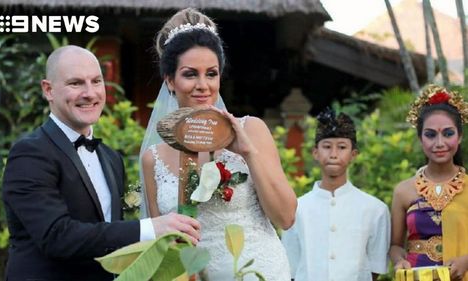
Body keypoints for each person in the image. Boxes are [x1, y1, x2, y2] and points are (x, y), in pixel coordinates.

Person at [1, 45, 201, 281]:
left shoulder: (111, 158)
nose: (90, 93)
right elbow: (57, 237)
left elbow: (109, 238)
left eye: (96, 81)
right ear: (48, 90)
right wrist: (150, 228)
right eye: (76, 83)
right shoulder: (29, 154)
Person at [139, 8, 297, 280]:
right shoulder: (152, 158)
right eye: (190, 74)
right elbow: (162, 245)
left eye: (211, 74)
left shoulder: (251, 130)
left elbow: (285, 217)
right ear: (170, 81)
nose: (203, 85)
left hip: (259, 272)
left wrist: (248, 153)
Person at [281, 108, 390, 281]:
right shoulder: (297, 209)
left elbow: (375, 269)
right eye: (326, 146)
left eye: (341, 147)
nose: (333, 154)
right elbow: (290, 268)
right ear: (315, 153)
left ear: (353, 154)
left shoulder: (375, 210)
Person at [390, 85, 468, 281]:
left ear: (460, 137)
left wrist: (466, 261)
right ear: (420, 139)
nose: (439, 143)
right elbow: (395, 245)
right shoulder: (403, 191)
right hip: (417, 276)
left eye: (448, 133)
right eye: (431, 135)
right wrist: (399, 261)